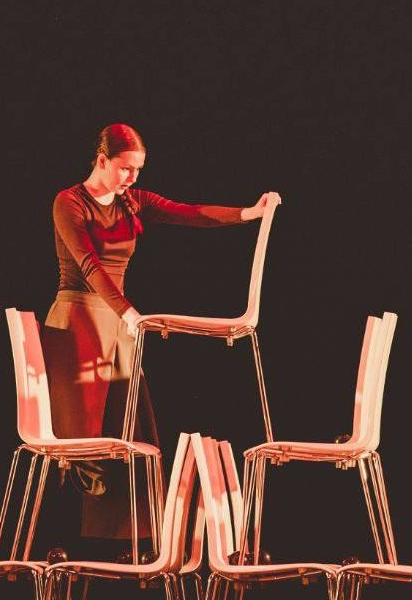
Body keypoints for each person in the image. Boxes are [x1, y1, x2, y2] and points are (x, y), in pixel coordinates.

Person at [42, 123, 279, 552]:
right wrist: (129, 313)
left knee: (129, 428)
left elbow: (191, 212)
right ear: (102, 160)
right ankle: (59, 542)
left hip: (119, 323)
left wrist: (248, 213)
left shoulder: (133, 202)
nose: (132, 177)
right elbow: (90, 265)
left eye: (138, 169)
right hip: (78, 320)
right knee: (82, 440)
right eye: (125, 168)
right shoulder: (69, 202)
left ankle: (124, 543)